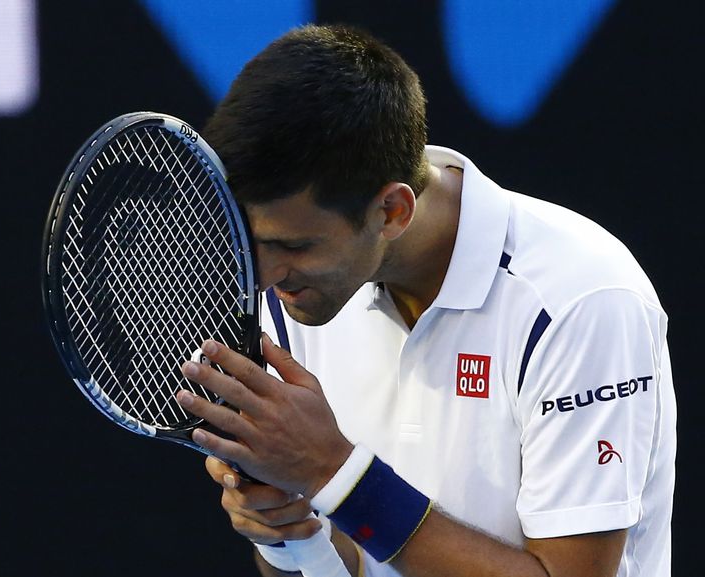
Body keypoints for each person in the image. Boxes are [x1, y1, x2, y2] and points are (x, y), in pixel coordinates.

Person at [174, 24, 676, 577]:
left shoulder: (580, 300)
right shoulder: (295, 296)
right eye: (251, 242)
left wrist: (333, 474)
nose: (264, 276)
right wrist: (285, 528)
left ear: (391, 211)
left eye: (294, 245)